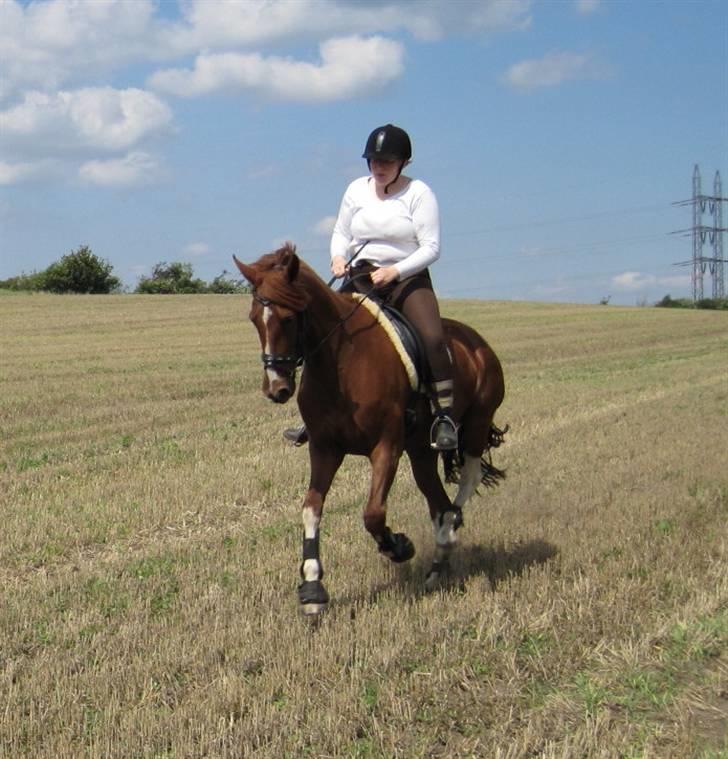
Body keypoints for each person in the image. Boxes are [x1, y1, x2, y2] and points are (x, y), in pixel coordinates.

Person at [284, 123, 457, 451]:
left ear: (403, 163)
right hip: (361, 275)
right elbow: (341, 232)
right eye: (374, 162)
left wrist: (396, 270)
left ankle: (443, 415)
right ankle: (314, 416)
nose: (379, 168)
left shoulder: (419, 193)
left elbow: (431, 247)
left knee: (432, 339)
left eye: (387, 162)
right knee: (322, 332)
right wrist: (338, 257)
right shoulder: (356, 190)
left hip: (407, 277)